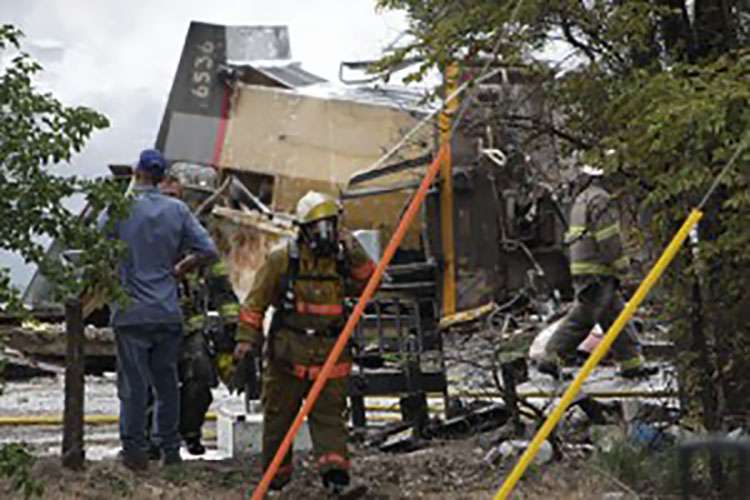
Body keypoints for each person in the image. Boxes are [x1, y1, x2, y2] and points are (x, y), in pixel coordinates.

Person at [234, 191, 376, 493]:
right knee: (278, 421)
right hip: (287, 357)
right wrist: (246, 342)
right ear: (303, 228)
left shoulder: (342, 259)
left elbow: (371, 285)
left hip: (330, 357)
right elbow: (254, 304)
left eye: (330, 225)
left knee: (330, 420)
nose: (324, 234)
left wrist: (356, 250)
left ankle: (336, 481)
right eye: (318, 226)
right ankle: (276, 481)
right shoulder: (282, 260)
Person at [103, 149, 218, 471]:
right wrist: (181, 268)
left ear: (137, 172)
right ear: (162, 177)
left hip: (130, 312)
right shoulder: (178, 210)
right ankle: (170, 451)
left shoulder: (120, 208)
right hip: (167, 311)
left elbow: (96, 242)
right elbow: (208, 250)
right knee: (167, 385)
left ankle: (135, 452)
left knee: (134, 387)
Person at [539, 164, 658, 380]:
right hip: (597, 269)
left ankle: (631, 363)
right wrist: (621, 265)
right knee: (584, 317)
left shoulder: (583, 199)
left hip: (586, 267)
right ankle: (552, 357)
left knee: (616, 317)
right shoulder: (601, 200)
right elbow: (608, 237)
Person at [158, 173, 242, 456]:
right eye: (165, 197)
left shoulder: (195, 238)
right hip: (153, 324)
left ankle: (189, 431)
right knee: (150, 384)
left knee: (201, 376)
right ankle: (150, 441)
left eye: (175, 197)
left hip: (190, 326)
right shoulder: (146, 234)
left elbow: (221, 284)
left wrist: (233, 323)